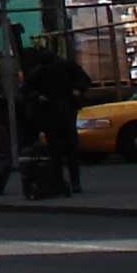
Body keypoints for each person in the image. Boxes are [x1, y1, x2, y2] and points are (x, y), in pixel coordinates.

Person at [18, 45, 92, 195]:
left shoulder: (37, 72)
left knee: (56, 149)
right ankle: (73, 182)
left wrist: (37, 97)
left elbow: (26, 89)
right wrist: (77, 90)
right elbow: (84, 79)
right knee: (69, 148)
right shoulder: (65, 67)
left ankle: (60, 181)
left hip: (50, 111)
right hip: (64, 109)